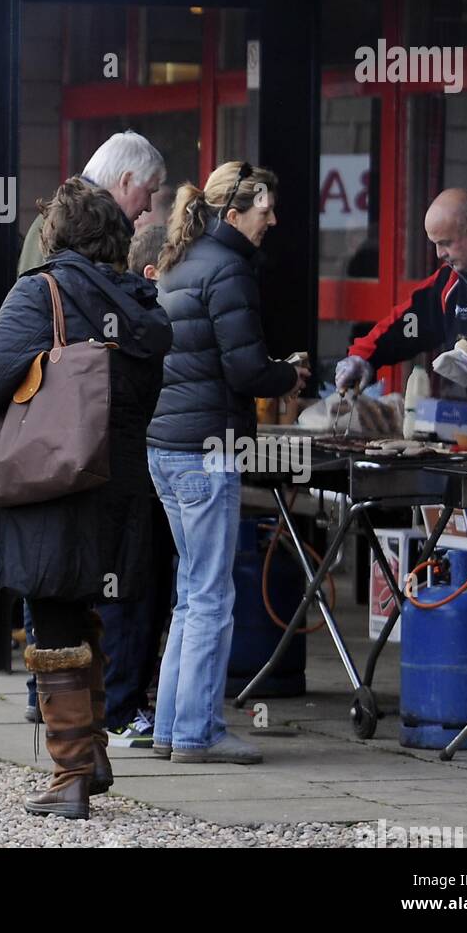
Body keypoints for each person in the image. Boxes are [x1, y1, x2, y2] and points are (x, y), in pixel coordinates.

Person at [0, 179, 173, 820]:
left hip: (54, 483)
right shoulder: (143, 305)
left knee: (55, 617)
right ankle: (92, 754)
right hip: (119, 488)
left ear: (57, 237)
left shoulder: (41, 290)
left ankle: (69, 774)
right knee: (81, 611)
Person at [147, 161, 308, 766]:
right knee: (211, 595)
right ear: (234, 211)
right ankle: (198, 734)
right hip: (205, 449)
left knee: (191, 593)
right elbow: (244, 371)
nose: (273, 219)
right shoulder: (230, 268)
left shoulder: (180, 260)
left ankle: (172, 728)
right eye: (265, 209)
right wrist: (288, 373)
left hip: (167, 445)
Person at [335, 189, 467, 454]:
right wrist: (363, 358)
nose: (439, 253)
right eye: (435, 244)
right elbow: (409, 322)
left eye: (446, 242)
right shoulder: (452, 279)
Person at [101, 224, 178, 748]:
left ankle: (116, 702)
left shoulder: (114, 306)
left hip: (122, 460)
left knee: (129, 589)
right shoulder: (146, 314)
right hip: (138, 462)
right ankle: (120, 707)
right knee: (135, 591)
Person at [17, 130, 165, 274]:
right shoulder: (91, 231)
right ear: (125, 181)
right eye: (149, 192)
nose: (148, 206)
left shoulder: (54, 220)